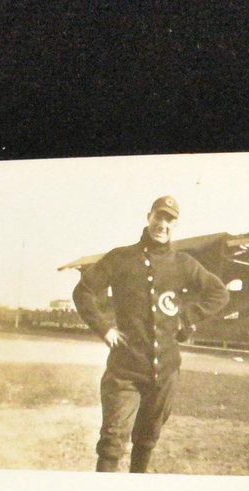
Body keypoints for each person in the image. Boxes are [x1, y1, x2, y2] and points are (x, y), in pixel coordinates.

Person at [72, 196, 229, 473]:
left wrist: (187, 318)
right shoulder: (120, 257)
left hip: (164, 373)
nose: (162, 224)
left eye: (169, 219)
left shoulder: (183, 263)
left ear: (176, 224)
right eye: (159, 216)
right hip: (124, 370)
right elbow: (83, 291)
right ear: (149, 217)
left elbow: (219, 293)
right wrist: (104, 327)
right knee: (111, 442)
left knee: (146, 441)